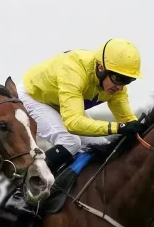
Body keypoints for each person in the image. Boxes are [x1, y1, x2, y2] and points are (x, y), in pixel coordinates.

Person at [15, 38, 144, 175]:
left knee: (103, 146)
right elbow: (73, 123)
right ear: (101, 68)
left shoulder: (117, 88)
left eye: (127, 80)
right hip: (33, 97)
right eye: (118, 79)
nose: (120, 87)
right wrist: (118, 128)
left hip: (60, 102)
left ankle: (69, 185)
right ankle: (27, 178)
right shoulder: (74, 71)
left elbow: (127, 121)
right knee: (70, 142)